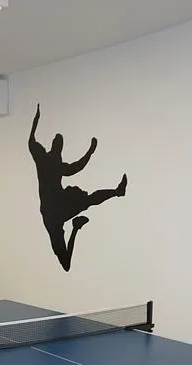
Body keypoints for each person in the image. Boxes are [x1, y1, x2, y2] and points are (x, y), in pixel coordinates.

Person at [29, 103, 127, 271]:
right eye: (57, 144)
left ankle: (118, 191)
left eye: (58, 145)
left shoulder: (48, 162)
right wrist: (36, 119)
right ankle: (76, 227)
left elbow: (77, 166)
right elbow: (32, 141)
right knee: (65, 262)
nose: (57, 147)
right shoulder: (48, 162)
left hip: (57, 206)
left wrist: (90, 152)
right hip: (53, 213)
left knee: (89, 200)